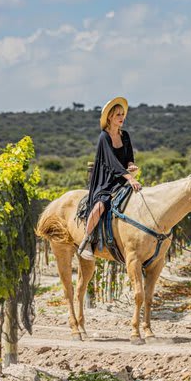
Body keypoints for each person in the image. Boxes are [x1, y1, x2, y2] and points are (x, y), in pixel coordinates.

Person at [78, 97, 142, 261]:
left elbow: (129, 158)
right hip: (105, 180)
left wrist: (131, 165)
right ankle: (86, 239)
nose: (122, 117)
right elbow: (112, 164)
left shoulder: (125, 135)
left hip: (121, 178)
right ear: (110, 118)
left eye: (123, 114)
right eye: (118, 115)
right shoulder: (103, 137)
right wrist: (131, 179)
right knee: (100, 206)